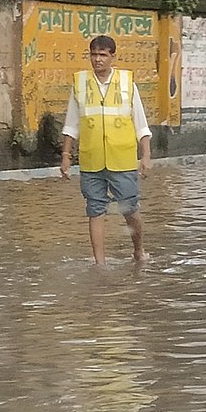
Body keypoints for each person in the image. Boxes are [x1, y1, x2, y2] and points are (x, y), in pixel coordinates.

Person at [60, 35, 152, 265]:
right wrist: (65, 156)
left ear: (112, 56)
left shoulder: (127, 84)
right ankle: (100, 264)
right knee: (95, 210)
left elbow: (141, 123)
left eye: (102, 55)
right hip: (91, 159)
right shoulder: (80, 84)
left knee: (130, 209)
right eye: (94, 54)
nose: (97, 59)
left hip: (122, 160)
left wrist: (146, 155)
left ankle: (138, 250)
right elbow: (72, 124)